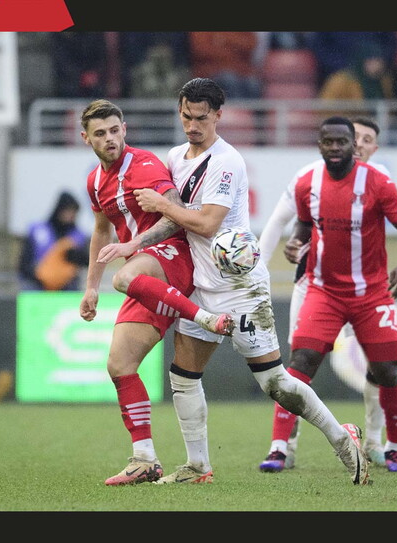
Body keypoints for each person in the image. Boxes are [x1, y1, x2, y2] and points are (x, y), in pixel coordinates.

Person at [131, 77, 370, 485]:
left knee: (274, 383)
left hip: (240, 287)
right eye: (186, 117)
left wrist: (159, 204)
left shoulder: (227, 161)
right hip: (201, 286)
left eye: (201, 118)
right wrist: (137, 243)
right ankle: (197, 466)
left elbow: (207, 223)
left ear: (218, 116)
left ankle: (342, 439)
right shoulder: (174, 156)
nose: (192, 126)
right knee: (183, 376)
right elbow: (176, 223)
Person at [76, 99, 236, 486]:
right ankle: (144, 459)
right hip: (144, 272)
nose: (110, 139)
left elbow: (174, 214)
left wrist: (134, 245)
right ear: (86, 139)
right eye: (101, 133)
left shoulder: (144, 164)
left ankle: (205, 318)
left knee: (124, 278)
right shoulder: (95, 182)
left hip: (171, 255)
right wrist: (91, 287)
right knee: (119, 365)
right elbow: (101, 231)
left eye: (115, 130)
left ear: (125, 130)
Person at [256, 116, 397, 474]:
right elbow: (304, 222)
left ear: (352, 146)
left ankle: (393, 448)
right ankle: (280, 448)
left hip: (371, 294)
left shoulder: (377, 182)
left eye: (341, 142)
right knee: (299, 364)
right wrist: (296, 242)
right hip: (323, 291)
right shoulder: (307, 182)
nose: (334, 148)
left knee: (388, 371)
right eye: (327, 142)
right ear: (319, 144)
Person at [17, 191, 90, 291]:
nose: (70, 216)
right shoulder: (38, 231)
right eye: (68, 211)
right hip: (38, 284)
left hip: (65, 286)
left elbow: (86, 261)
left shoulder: (77, 237)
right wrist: (41, 276)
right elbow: (24, 263)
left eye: (73, 212)